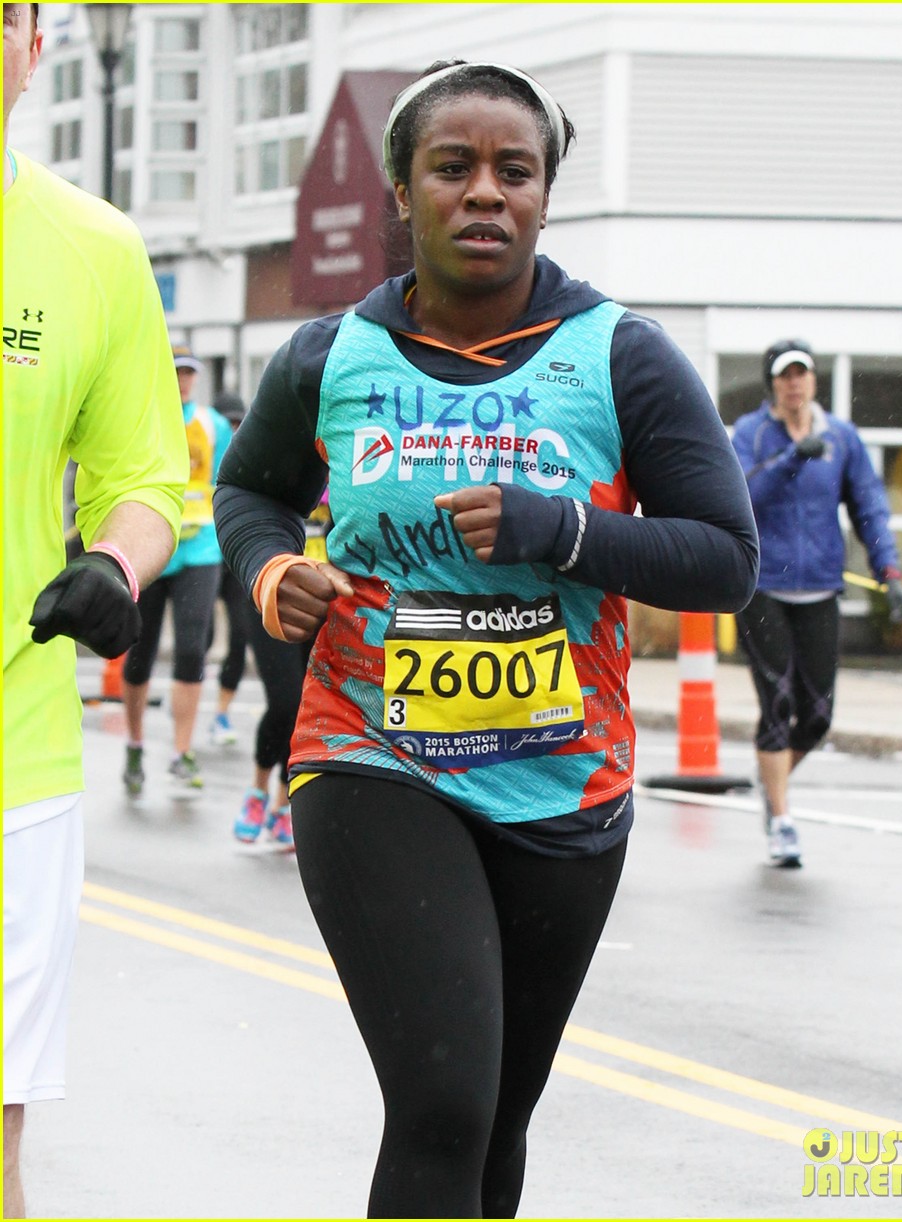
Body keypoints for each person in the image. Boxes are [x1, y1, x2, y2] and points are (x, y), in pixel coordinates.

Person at [215, 60, 758, 1218]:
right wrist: (270, 570)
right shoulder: (327, 356)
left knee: (497, 1116)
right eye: (451, 168)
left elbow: (725, 557)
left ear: (547, 197)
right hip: (372, 754)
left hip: (565, 778)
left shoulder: (622, 356)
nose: (484, 194)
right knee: (445, 1102)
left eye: (515, 171)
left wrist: (558, 531)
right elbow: (249, 490)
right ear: (402, 194)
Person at [2, 4, 188, 1215]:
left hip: (10, 745)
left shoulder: (91, 245)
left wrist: (117, 567)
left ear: (31, 38)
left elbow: (145, 481)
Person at [731, 339, 902, 868]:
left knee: (818, 717)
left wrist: (891, 573)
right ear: (773, 384)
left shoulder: (841, 438)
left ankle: (773, 782)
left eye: (802, 375)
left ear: (814, 382)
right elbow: (739, 497)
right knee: (779, 705)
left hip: (820, 588)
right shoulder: (752, 434)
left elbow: (870, 508)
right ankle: (782, 821)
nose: (794, 384)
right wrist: (789, 459)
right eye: (785, 376)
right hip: (764, 589)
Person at [121, 346, 233, 794]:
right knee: (140, 650)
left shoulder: (214, 425)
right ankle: (134, 744)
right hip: (150, 545)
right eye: (176, 373)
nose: (183, 381)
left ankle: (181, 751)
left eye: (189, 374)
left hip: (200, 548)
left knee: (191, 649)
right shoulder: (141, 417)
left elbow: (228, 482)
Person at [232, 492, 331, 850]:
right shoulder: (276, 444)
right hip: (274, 590)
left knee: (306, 706)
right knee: (286, 700)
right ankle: (257, 791)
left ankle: (282, 804)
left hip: (325, 592)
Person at [208, 390, 250, 747]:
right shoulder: (205, 449)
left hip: (233, 559)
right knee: (201, 638)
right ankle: (186, 686)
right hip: (203, 557)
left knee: (238, 636)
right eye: (230, 423)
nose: (235, 430)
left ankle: (222, 711)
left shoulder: (252, 452)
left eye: (240, 423)